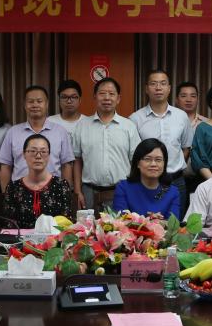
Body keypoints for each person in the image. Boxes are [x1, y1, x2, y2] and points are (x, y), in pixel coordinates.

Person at [73, 77, 141, 211]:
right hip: (89, 191)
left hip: (120, 191)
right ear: (95, 97)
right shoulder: (82, 125)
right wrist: (77, 191)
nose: (107, 98)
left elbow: (136, 161)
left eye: (111, 94)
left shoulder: (129, 126)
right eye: (102, 93)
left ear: (118, 98)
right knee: (88, 225)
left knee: (120, 224)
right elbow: (77, 160)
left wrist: (134, 190)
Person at [129, 68, 194, 209]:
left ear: (169, 88)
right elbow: (134, 154)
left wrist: (173, 167)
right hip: (146, 182)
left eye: (163, 83)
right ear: (146, 89)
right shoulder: (135, 119)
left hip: (176, 181)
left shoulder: (181, 116)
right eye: (153, 84)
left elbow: (186, 148)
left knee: (176, 221)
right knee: (146, 219)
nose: (158, 88)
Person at [0, 85, 74, 191]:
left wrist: (66, 193)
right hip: (19, 192)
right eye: (31, 101)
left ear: (47, 104)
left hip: (53, 192)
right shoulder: (13, 132)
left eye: (39, 101)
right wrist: (6, 195)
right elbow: (6, 166)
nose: (35, 105)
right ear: (24, 105)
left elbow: (66, 165)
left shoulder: (60, 132)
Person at [3, 134, 73, 228]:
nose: (38, 156)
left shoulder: (61, 186)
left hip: (53, 237)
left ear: (49, 155)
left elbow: (66, 223)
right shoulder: (13, 187)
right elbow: (9, 225)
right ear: (24, 154)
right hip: (20, 237)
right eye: (33, 151)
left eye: (43, 151)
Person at [112, 138, 181, 219]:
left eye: (158, 160)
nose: (153, 164)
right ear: (138, 163)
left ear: (164, 164)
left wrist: (159, 223)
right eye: (147, 159)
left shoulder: (172, 192)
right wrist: (147, 220)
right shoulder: (123, 188)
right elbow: (120, 220)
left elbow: (173, 224)